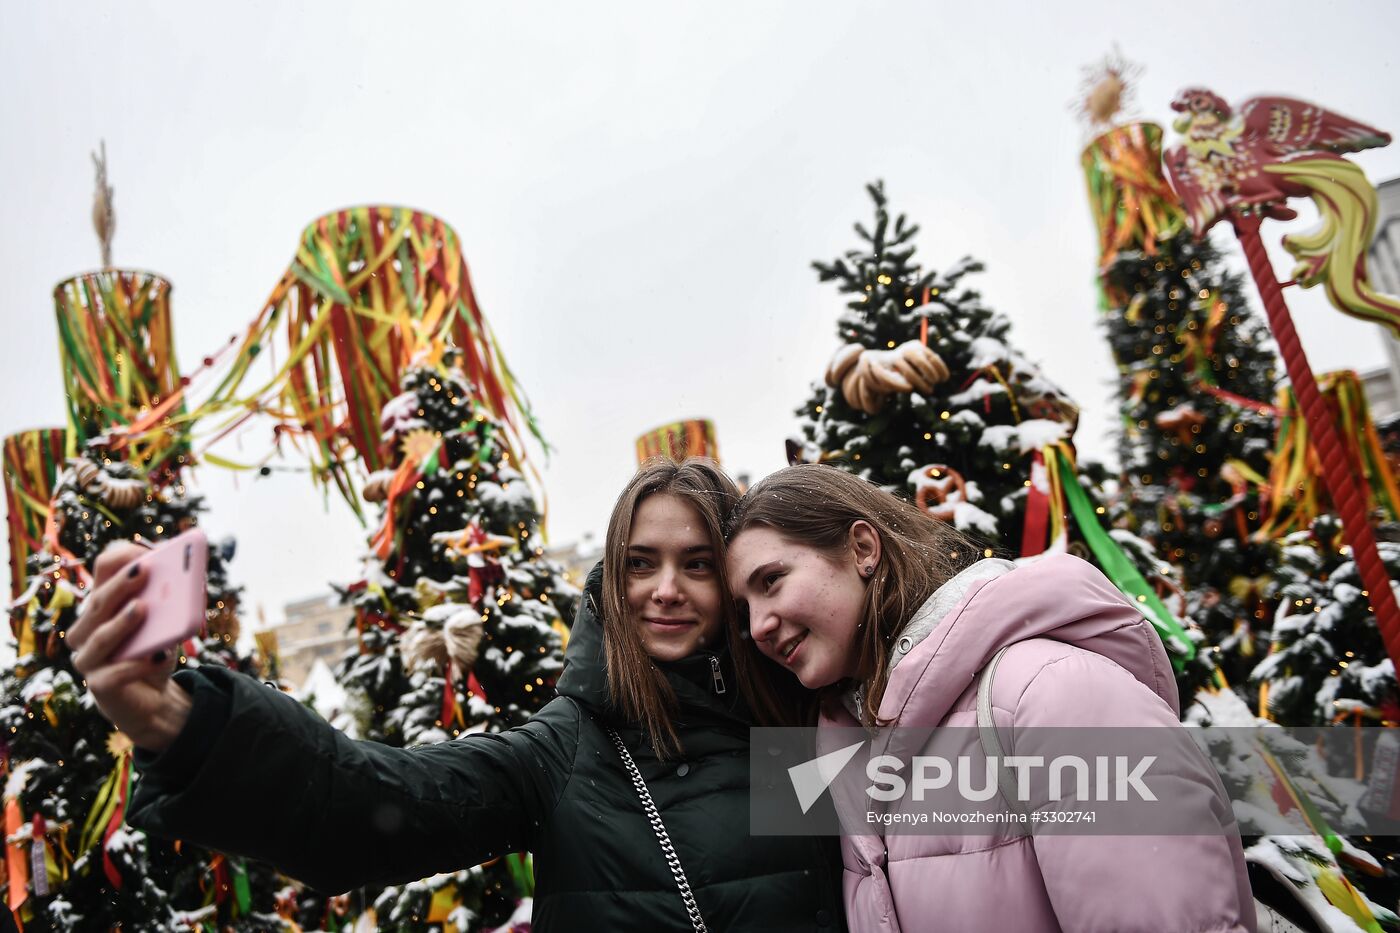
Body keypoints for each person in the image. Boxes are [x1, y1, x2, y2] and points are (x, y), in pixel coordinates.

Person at [69, 458, 843, 932]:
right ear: (612, 578)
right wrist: (188, 724)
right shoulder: (571, 746)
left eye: (697, 564)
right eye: (641, 563)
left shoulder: (801, 720)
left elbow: (953, 839)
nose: (666, 590)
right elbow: (378, 805)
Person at [725, 463, 1255, 933]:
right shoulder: (851, 749)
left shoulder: (1050, 691)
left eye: (771, 581)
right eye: (744, 606)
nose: (758, 625)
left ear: (863, 549)